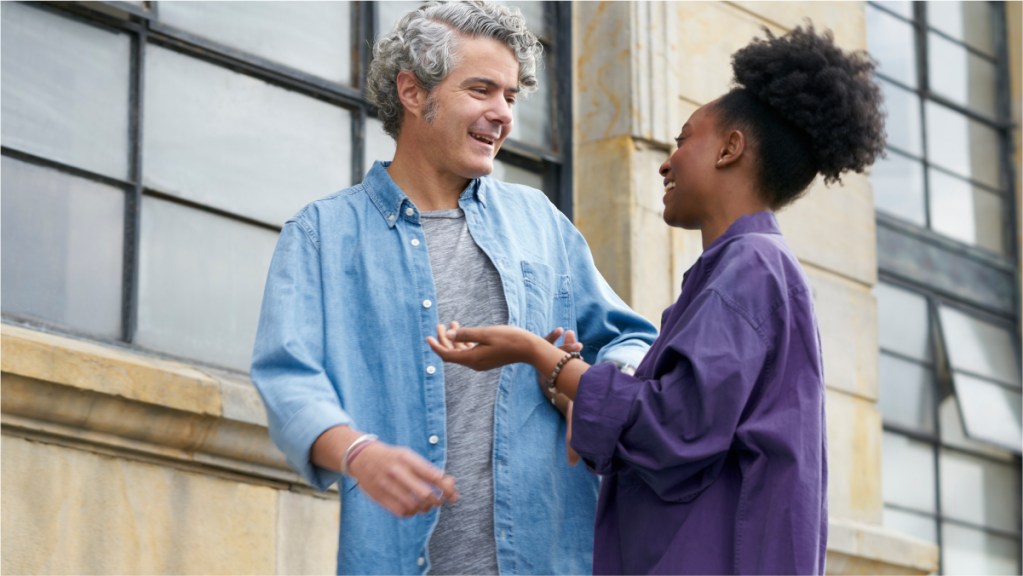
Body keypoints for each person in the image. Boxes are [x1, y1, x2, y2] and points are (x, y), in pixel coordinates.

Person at [428, 24, 886, 575]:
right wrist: (573, 393)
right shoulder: (743, 269)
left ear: (730, 148)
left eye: (683, 138)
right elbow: (685, 436)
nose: (666, 163)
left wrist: (539, 356)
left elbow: (675, 427)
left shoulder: (751, 268)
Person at [250, 2, 657, 574]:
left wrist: (590, 389)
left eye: (511, 97)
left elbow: (632, 340)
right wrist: (358, 453)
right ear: (414, 92)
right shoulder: (321, 235)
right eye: (482, 90)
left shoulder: (539, 221)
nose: (502, 114)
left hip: (550, 558)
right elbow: (287, 379)